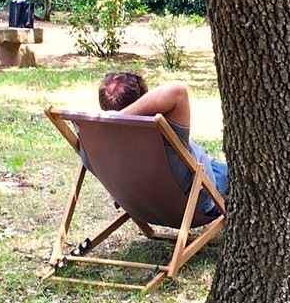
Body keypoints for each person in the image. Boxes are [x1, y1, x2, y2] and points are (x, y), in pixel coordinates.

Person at [97, 72, 227, 219]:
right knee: (238, 172)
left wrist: (110, 121)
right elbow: (178, 91)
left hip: (141, 204)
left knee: (216, 165)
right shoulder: (161, 136)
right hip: (193, 202)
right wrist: (120, 119)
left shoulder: (100, 139)